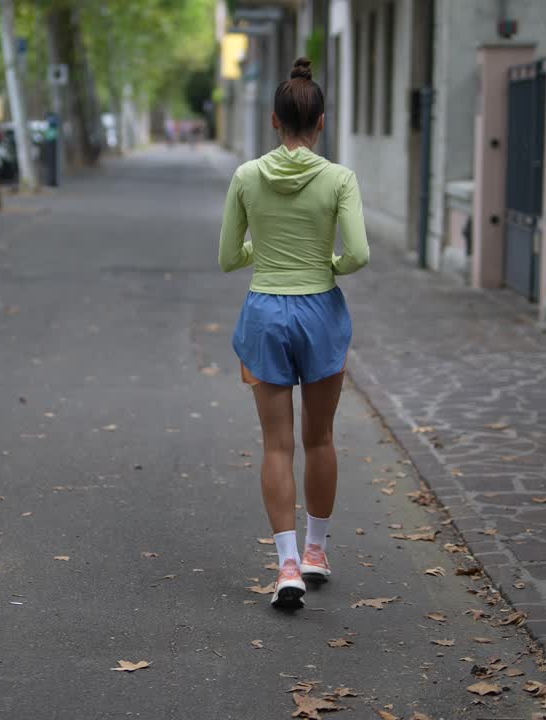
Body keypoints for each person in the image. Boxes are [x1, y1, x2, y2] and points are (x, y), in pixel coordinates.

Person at [218, 57, 369, 610]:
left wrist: (268, 252)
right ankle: (316, 552)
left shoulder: (246, 177)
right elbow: (358, 253)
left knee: (276, 445)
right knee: (320, 438)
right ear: (321, 122)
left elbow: (229, 256)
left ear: (274, 121)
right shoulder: (339, 179)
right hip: (320, 312)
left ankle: (285, 566)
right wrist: (321, 264)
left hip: (264, 312)